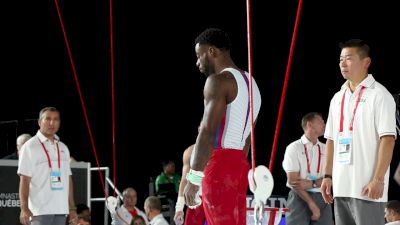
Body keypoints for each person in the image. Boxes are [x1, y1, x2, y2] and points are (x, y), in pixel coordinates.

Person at [183, 28, 262, 225]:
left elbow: (208, 132)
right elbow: (248, 138)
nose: (197, 62)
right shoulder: (252, 83)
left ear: (212, 51)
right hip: (239, 165)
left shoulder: (218, 82)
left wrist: (193, 178)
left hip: (218, 164)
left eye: (199, 56)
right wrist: (234, 168)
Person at [321, 39, 397, 225]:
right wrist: (328, 176)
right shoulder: (337, 97)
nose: (342, 64)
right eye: (340, 60)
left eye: (348, 58)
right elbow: (331, 140)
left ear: (366, 62)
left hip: (368, 188)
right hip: (341, 187)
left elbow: (388, 138)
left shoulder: (380, 95)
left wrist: (378, 179)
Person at [17, 107, 78, 225]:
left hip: (61, 209)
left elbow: (68, 179)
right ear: (39, 122)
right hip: (39, 211)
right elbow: (24, 181)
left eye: (56, 119)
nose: (52, 123)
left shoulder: (63, 147)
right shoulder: (30, 146)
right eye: (48, 119)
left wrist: (72, 208)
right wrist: (24, 208)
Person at [282, 112, 333, 225]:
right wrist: (312, 204)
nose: (324, 124)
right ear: (309, 125)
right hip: (299, 196)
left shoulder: (326, 148)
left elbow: (331, 177)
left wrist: (312, 183)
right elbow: (293, 181)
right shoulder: (294, 148)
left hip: (323, 196)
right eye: (321, 121)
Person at [174, 144, 206, 225]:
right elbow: (184, 180)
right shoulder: (190, 152)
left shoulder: (223, 147)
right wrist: (179, 208)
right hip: (197, 200)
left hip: (217, 198)